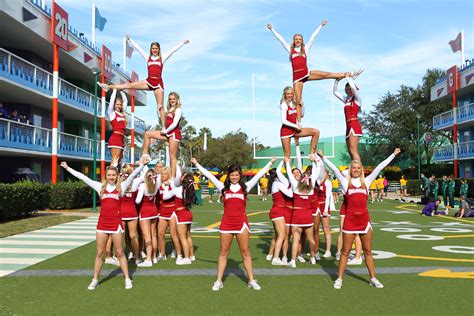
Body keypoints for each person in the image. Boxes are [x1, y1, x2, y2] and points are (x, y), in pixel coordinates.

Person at [61, 158, 148, 290]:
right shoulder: (99, 186)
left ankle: (127, 278)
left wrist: (142, 165)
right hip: (102, 224)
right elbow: (83, 177)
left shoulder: (122, 187)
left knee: (119, 252)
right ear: (105, 176)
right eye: (109, 175)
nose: (111, 177)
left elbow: (132, 175)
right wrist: (67, 168)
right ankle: (94, 279)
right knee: (99, 253)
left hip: (116, 224)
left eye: (113, 175)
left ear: (117, 176)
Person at [192, 156, 276, 291]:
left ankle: (251, 280)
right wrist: (197, 164)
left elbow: (259, 175)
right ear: (229, 175)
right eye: (232, 174)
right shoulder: (223, 187)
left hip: (241, 223)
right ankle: (219, 280)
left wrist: (270, 163)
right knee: (223, 252)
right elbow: (208, 175)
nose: (235, 177)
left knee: (246, 252)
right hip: (226, 222)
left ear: (240, 175)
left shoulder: (246, 187)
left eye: (237, 175)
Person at [321, 148, 401, 289]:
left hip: (364, 221)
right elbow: (334, 168)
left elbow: (380, 166)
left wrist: (393, 154)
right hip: (350, 221)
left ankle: (373, 278)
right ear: (350, 170)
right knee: (345, 252)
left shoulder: (368, 181)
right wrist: (323, 157)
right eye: (354, 168)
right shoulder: (345, 183)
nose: (356, 170)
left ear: (361, 169)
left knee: (368, 251)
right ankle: (339, 278)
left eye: (358, 168)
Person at [267, 21, 362, 125]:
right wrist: (272, 29)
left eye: (300, 39)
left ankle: (351, 74)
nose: (298, 41)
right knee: (298, 100)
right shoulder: (290, 50)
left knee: (327, 74)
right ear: (293, 41)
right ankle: (299, 122)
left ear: (302, 41)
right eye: (296, 39)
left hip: (306, 73)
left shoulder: (305, 49)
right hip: (297, 78)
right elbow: (280, 39)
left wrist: (321, 26)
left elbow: (313, 37)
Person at [100, 37, 189, 129]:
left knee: (160, 106)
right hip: (149, 81)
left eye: (156, 48)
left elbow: (172, 50)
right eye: (153, 48)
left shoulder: (162, 58)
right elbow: (139, 49)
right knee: (130, 85)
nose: (154, 50)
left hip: (158, 84)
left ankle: (163, 127)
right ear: (151, 49)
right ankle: (109, 87)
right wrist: (130, 40)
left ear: (159, 50)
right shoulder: (148, 58)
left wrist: (182, 43)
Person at [284, 155, 320, 267]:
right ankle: (313, 257)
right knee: (311, 239)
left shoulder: (295, 186)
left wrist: (286, 162)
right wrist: (316, 161)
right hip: (307, 216)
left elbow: (289, 173)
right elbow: (316, 173)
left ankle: (293, 261)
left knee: (295, 239)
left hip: (297, 216)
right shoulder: (311, 188)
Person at [141, 92, 182, 178]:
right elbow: (161, 118)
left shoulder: (178, 110)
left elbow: (175, 123)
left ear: (177, 99)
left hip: (174, 134)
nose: (172, 101)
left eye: (174, 99)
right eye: (170, 99)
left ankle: (173, 177)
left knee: (172, 156)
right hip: (167, 133)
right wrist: (158, 109)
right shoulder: (169, 109)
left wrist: (166, 131)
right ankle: (145, 155)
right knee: (147, 134)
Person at [279, 86, 320, 160]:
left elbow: (301, 115)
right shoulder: (284, 104)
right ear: (285, 94)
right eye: (288, 94)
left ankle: (311, 154)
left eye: (291, 93)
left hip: (295, 130)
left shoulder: (295, 104)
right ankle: (287, 170)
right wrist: (296, 126)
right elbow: (284, 121)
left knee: (316, 132)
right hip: (286, 131)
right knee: (287, 157)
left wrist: (302, 106)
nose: (290, 95)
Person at [119, 164, 147, 264]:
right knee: (124, 235)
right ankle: (130, 253)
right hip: (123, 213)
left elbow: (144, 175)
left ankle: (136, 255)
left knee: (131, 235)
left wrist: (143, 164)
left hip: (131, 212)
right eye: (123, 173)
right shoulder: (119, 183)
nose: (124, 175)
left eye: (126, 173)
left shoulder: (133, 182)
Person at [267, 161, 293, 265]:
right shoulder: (277, 183)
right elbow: (290, 194)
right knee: (282, 235)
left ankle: (270, 255)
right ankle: (276, 258)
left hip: (278, 210)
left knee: (278, 235)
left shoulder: (276, 183)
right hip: (278, 211)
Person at [135, 168, 161, 266]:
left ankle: (148, 259)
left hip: (145, 211)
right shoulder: (156, 185)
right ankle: (154, 257)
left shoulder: (143, 186)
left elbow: (137, 201)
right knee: (153, 234)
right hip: (154, 210)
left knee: (147, 236)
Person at [333, 76, 363, 161]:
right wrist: (337, 80)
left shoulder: (357, 99)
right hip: (348, 126)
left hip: (354, 125)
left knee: (354, 150)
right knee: (350, 151)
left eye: (350, 89)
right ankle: (353, 169)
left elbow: (353, 87)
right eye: (346, 90)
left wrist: (347, 76)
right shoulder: (346, 100)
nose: (348, 91)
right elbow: (335, 92)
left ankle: (359, 171)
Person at [169, 165, 195, 264]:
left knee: (182, 237)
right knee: (188, 236)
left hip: (181, 214)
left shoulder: (178, 190)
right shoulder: (189, 190)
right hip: (188, 213)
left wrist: (169, 185)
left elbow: (166, 196)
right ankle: (192, 255)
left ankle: (187, 258)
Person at [107, 89, 128, 167]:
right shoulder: (112, 113)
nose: (119, 106)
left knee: (120, 162)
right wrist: (115, 90)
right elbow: (111, 101)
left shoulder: (122, 114)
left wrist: (121, 91)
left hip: (121, 139)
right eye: (117, 104)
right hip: (115, 139)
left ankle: (118, 177)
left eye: (120, 104)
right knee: (115, 162)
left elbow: (125, 102)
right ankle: (105, 178)